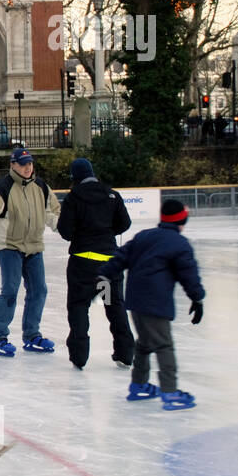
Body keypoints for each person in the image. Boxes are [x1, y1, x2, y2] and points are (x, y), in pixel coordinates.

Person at [98, 200, 205, 410]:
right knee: (164, 345)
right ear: (182, 220)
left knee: (145, 344)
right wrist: (197, 298)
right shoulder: (179, 243)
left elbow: (120, 258)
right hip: (156, 303)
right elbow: (189, 276)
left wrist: (102, 275)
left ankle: (139, 385)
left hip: (136, 302)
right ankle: (170, 391)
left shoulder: (144, 236)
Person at [0, 148, 60, 356]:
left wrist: (68, 229)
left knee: (39, 290)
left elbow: (52, 213)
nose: (28, 167)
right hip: (9, 246)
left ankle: (32, 335)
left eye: (30, 163)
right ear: (13, 165)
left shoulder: (41, 187)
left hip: (34, 245)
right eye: (23, 164)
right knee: (10, 289)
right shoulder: (3, 188)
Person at [56, 158, 134, 371]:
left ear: (75, 177)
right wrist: (106, 234)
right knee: (114, 306)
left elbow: (65, 231)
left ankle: (79, 356)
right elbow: (124, 223)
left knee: (79, 306)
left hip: (83, 266)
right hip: (108, 265)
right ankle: (126, 354)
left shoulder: (73, 198)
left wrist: (82, 235)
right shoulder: (111, 195)